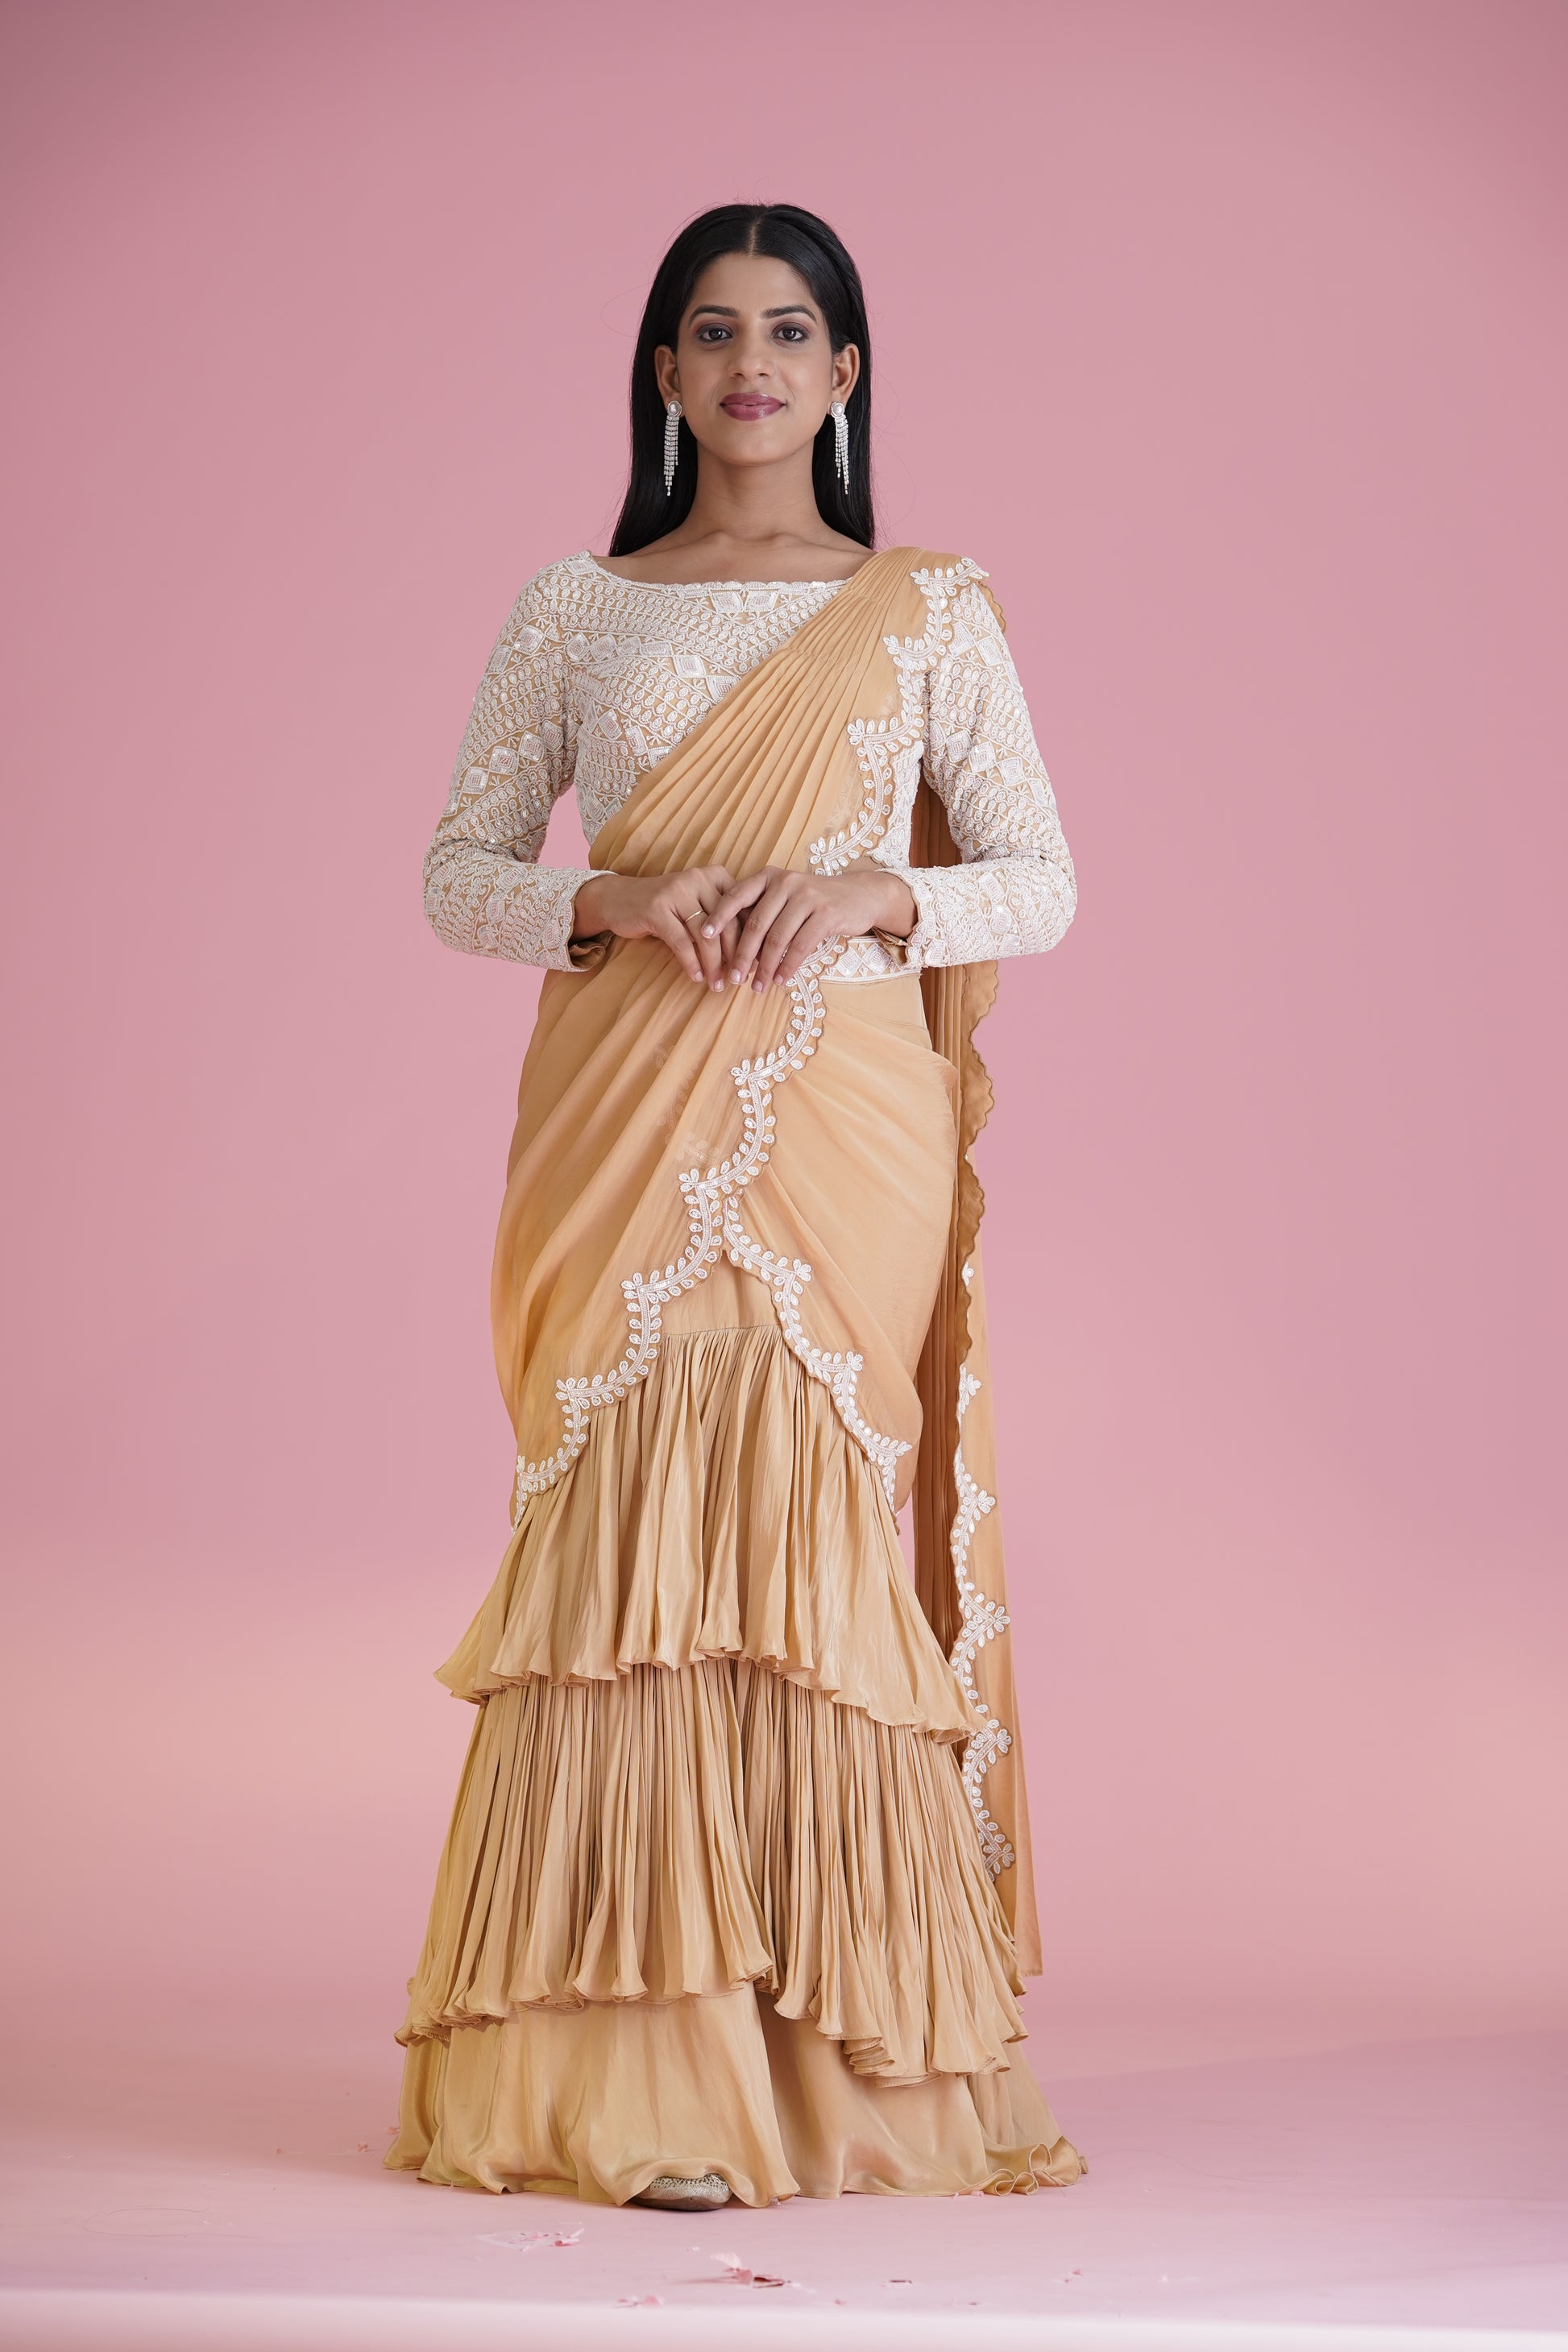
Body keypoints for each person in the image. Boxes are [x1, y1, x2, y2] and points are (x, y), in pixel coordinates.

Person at [386, 201, 1085, 2210]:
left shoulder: (927, 608)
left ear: (844, 373)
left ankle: (839, 2059)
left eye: (789, 331)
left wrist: (873, 890)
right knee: (631, 1540)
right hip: (619, 1102)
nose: (751, 363)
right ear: (666, 372)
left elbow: (1039, 879)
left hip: (838, 1110)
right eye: (713, 330)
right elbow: (455, 870)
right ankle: (636, 2077)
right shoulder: (574, 610)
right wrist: (608, 895)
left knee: (799, 1528)